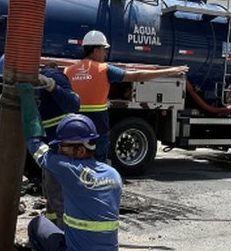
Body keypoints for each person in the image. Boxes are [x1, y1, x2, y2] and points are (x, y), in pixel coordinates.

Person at [18, 83, 122, 251]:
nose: (59, 152)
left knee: (36, 225)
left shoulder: (69, 169)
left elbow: (34, 142)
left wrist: (27, 97)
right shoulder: (114, 174)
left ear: (81, 150)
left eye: (63, 147)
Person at [64, 30, 188, 162]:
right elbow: (137, 76)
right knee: (98, 164)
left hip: (74, 126)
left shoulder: (68, 71)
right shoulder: (104, 69)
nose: (105, 53)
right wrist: (169, 71)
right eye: (103, 49)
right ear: (95, 50)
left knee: (74, 161)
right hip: (98, 126)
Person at [0, 55, 81, 222]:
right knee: (51, 192)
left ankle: (62, 234)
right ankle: (51, 225)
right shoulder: (23, 88)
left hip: (63, 147)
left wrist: (52, 86)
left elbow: (73, 104)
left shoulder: (53, 77)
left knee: (59, 196)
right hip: (48, 147)